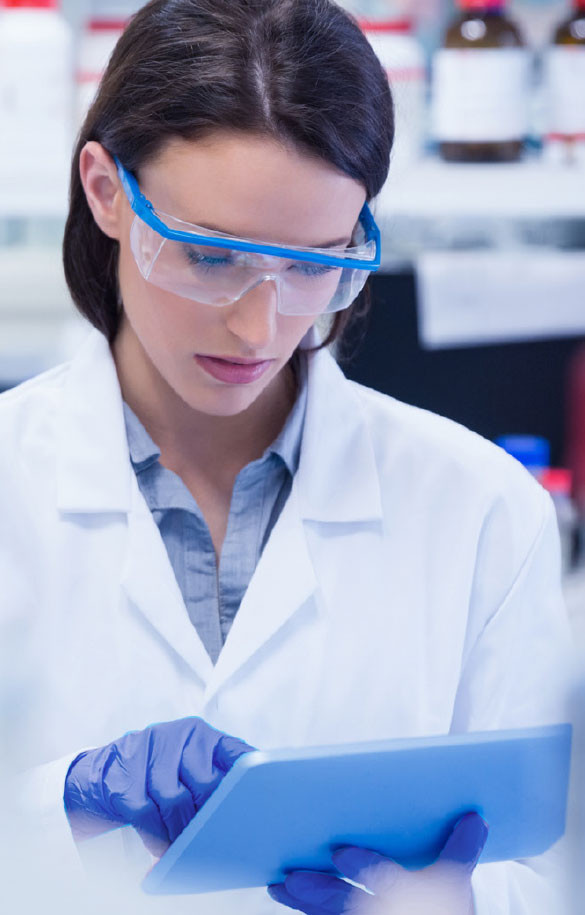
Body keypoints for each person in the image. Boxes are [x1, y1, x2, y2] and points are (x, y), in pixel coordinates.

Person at [0, 0, 573, 913]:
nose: (262, 326)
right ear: (106, 191)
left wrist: (455, 904)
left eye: (313, 263)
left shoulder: (479, 508)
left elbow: (551, 866)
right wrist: (55, 805)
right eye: (213, 257)